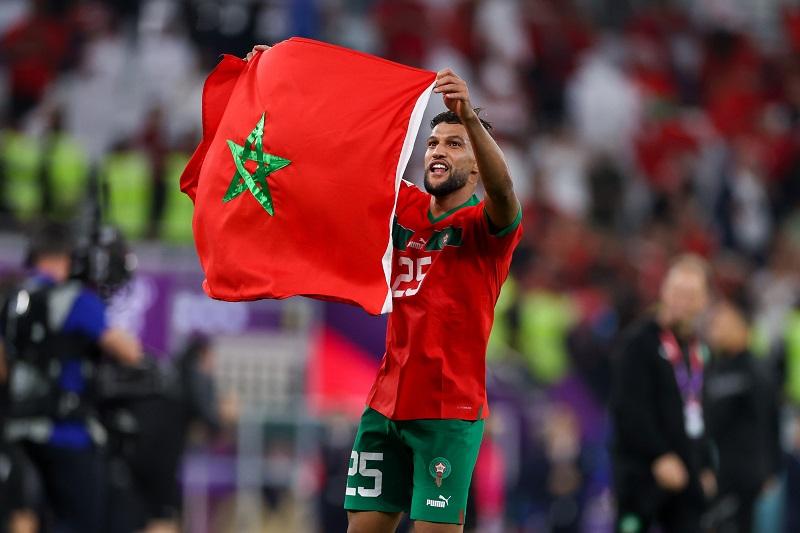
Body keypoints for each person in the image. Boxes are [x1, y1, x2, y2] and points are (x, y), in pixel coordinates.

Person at [246, 44, 523, 532]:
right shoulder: (406, 209)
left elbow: (504, 194)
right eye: (434, 144)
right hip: (385, 404)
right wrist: (284, 82)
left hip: (447, 412)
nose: (438, 151)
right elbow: (338, 157)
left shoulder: (485, 228)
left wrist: (473, 123)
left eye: (454, 145)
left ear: (477, 163)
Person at [0, 221, 142, 533]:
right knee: (78, 522)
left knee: (24, 517)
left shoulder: (12, 299)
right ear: (65, 257)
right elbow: (130, 352)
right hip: (67, 434)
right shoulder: (75, 299)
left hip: (17, 431)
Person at [610, 255, 716, 533]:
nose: (682, 300)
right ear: (664, 292)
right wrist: (659, 455)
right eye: (677, 291)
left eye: (691, 294)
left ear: (704, 301)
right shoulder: (638, 343)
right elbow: (628, 409)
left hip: (687, 476)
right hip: (644, 476)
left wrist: (704, 464)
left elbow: (698, 409)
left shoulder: (698, 349)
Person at [703, 302, 778, 533]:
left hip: (746, 473)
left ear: (744, 329)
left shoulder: (757, 369)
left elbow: (768, 422)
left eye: (725, 325)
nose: (717, 331)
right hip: (714, 471)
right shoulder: (710, 367)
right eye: (715, 325)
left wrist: (770, 470)